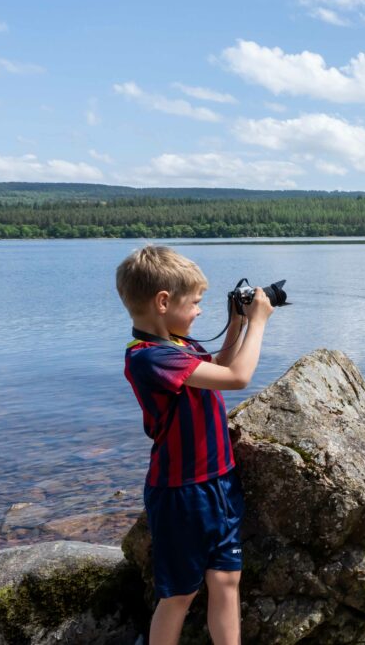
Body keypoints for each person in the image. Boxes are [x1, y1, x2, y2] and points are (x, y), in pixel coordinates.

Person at [116, 245, 273, 645]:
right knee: (179, 594)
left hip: (220, 482)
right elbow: (238, 377)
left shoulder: (179, 345)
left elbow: (219, 367)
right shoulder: (148, 357)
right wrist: (259, 323)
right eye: (196, 303)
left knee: (226, 579)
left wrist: (236, 323)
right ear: (163, 302)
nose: (200, 311)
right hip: (181, 492)